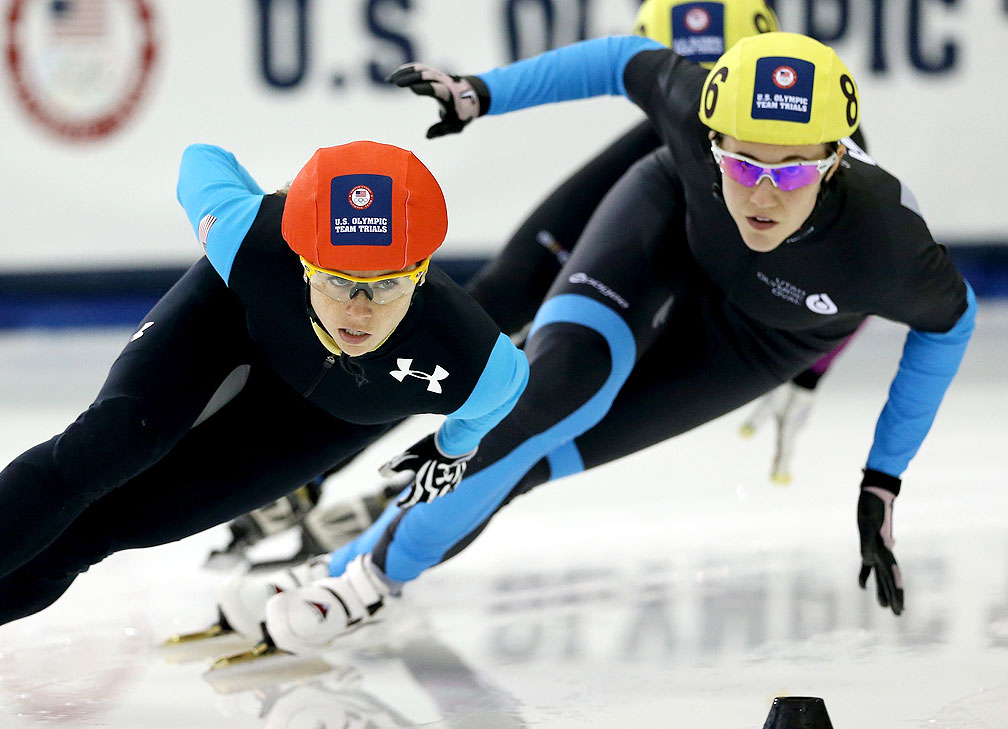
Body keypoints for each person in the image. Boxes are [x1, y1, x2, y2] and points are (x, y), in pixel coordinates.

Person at [254, 31, 975, 656]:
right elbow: (620, 59)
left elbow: (949, 327)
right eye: (743, 164)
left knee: (532, 462)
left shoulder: (887, 243)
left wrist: (882, 479)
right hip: (668, 225)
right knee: (551, 391)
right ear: (712, 139)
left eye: (791, 171)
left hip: (759, 337)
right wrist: (482, 93)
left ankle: (351, 565)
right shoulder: (691, 111)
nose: (763, 195)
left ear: (835, 162)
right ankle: (362, 581)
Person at [0, 140, 529, 708]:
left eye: (385, 285)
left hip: (320, 416)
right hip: (231, 322)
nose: (358, 310)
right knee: (113, 442)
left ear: (423, 272)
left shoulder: (476, 358)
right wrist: (262, 203)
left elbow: (496, 402)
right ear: (302, 260)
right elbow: (201, 160)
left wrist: (449, 447)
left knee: (114, 527)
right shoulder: (248, 236)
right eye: (337, 280)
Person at [203, 0, 853, 576]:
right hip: (662, 197)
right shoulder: (679, 115)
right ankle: (319, 469)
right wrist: (477, 94)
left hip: (718, 279)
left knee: (561, 385)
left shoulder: (811, 156)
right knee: (492, 306)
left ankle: (420, 500)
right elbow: (607, 64)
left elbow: (875, 256)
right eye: (688, 76)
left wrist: (806, 360)